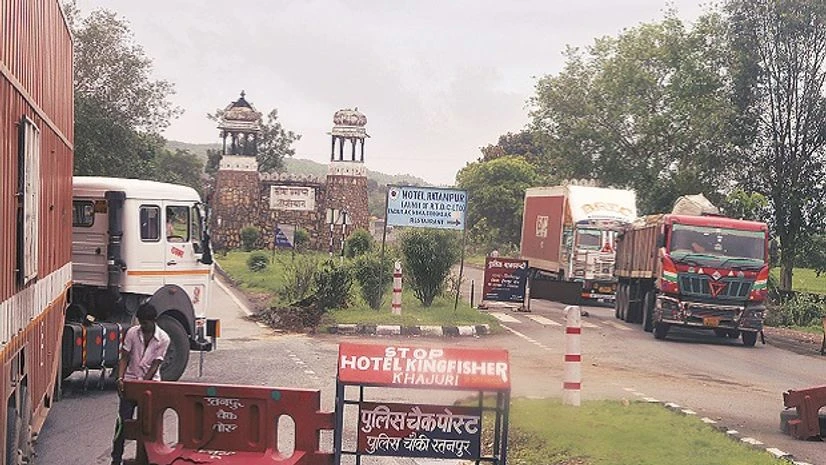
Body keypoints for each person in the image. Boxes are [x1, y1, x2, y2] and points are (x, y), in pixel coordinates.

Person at [111, 303, 170, 465]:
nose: (142, 326)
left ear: (154, 321)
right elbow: (124, 357)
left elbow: (155, 365)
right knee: (123, 423)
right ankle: (115, 458)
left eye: (145, 323)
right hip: (130, 382)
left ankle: (146, 459)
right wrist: (120, 378)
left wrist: (143, 385)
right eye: (140, 322)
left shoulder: (163, 339)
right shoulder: (132, 333)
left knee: (148, 426)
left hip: (150, 386)